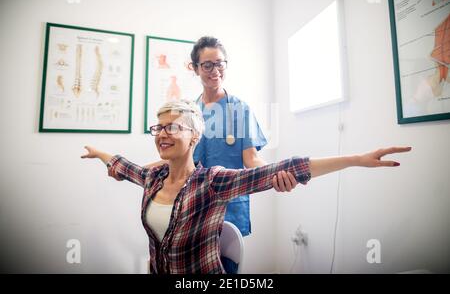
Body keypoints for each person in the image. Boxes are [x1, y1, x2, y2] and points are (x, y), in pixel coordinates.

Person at [81, 99, 411, 274]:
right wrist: (99, 154)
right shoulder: (152, 178)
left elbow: (289, 167)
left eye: (173, 128)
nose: (162, 134)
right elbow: (124, 167)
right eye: (158, 127)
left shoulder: (213, 182)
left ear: (194, 136)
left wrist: (357, 159)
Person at [146, 36, 299, 243]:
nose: (215, 71)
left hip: (229, 204)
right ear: (195, 68)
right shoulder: (188, 112)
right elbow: (175, 157)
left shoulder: (239, 109)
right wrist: (134, 169)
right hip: (191, 202)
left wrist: (277, 174)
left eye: (220, 64)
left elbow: (251, 159)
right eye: (207, 65)